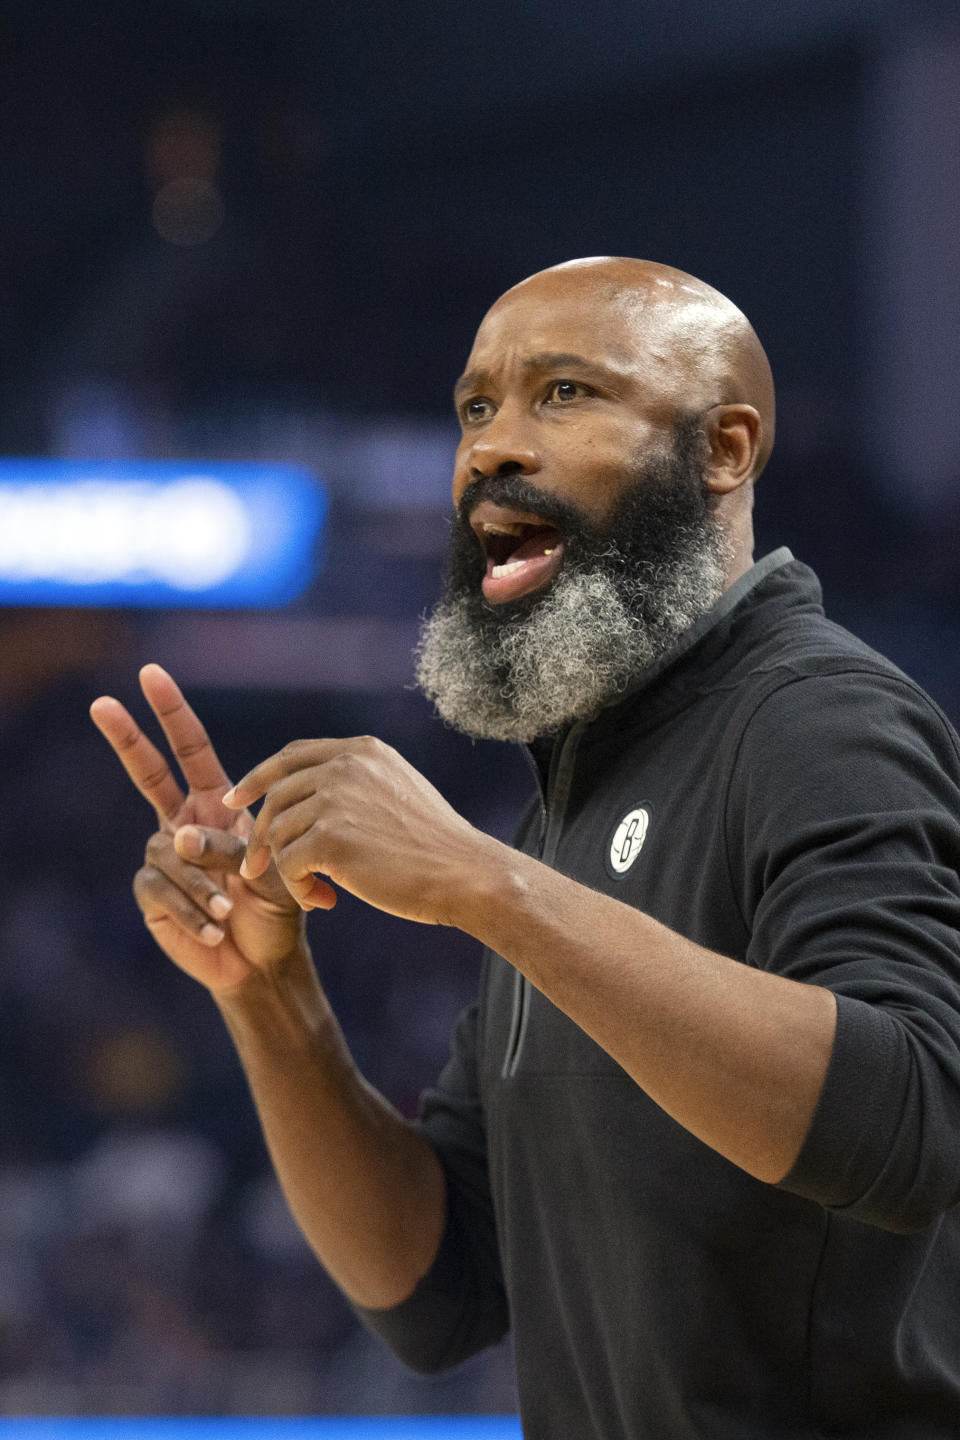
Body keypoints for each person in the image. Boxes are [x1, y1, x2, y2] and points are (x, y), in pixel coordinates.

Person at [91, 257, 960, 1437]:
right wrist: (265, 989)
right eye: (475, 407)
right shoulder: (574, 798)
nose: (492, 447)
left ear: (723, 450)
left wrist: (483, 883)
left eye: (564, 395)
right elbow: (434, 1286)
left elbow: (909, 1121)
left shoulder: (817, 717)